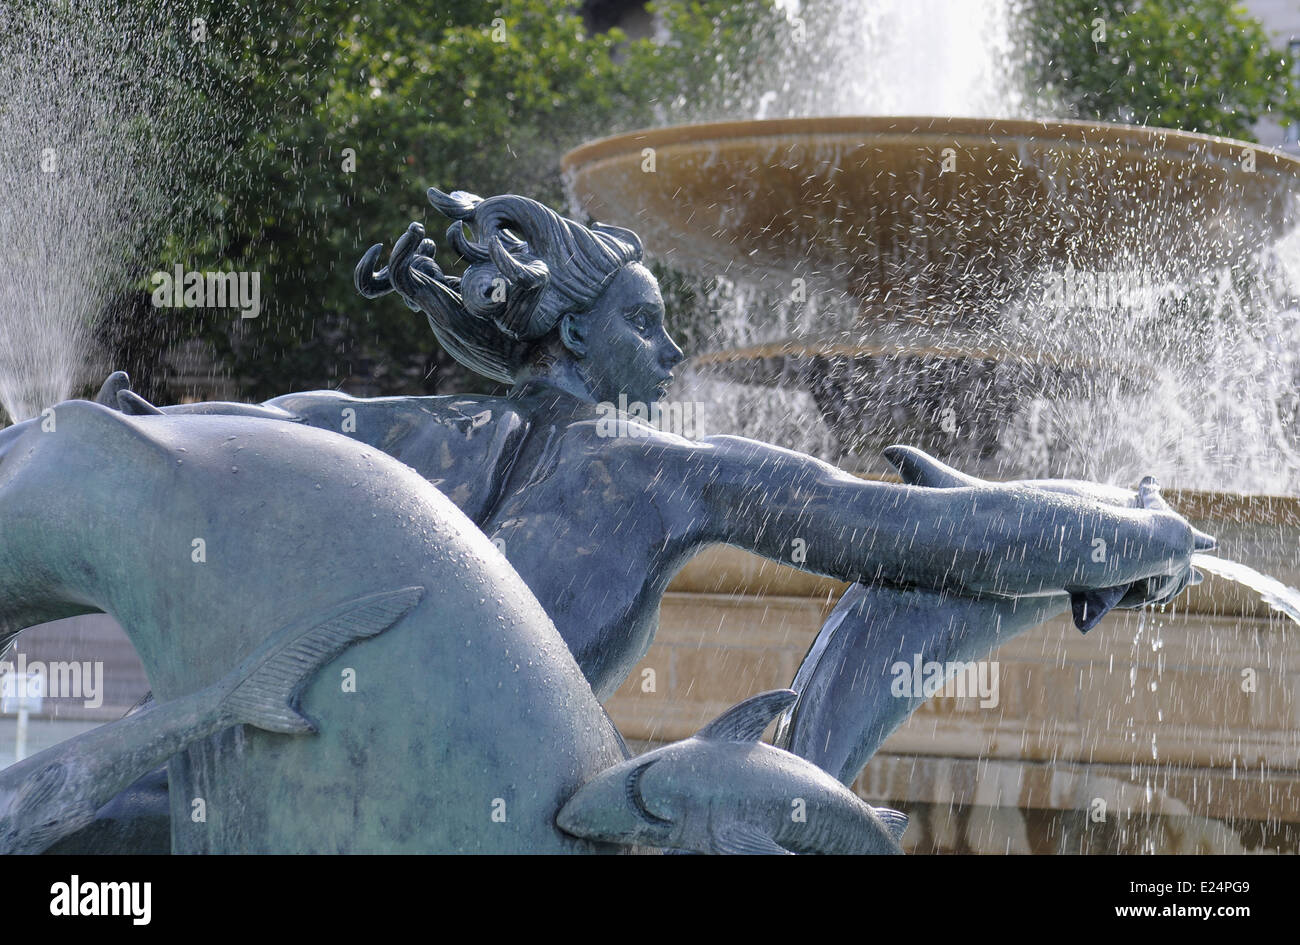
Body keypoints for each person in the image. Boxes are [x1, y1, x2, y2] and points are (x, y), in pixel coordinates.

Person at [106, 188, 1212, 775]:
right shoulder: (670, 466)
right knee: (926, 585)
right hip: (539, 815)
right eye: (647, 321)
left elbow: (222, 433)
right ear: (571, 330)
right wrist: (1143, 532)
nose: (673, 351)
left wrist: (144, 426)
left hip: (334, 783)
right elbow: (918, 529)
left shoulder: (394, 430)